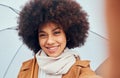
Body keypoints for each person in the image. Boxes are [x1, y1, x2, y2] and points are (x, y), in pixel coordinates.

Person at [17, 0, 101, 78]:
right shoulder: (26, 69)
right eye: (43, 35)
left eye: (56, 33)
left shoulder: (81, 71)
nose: (49, 41)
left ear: (67, 34)